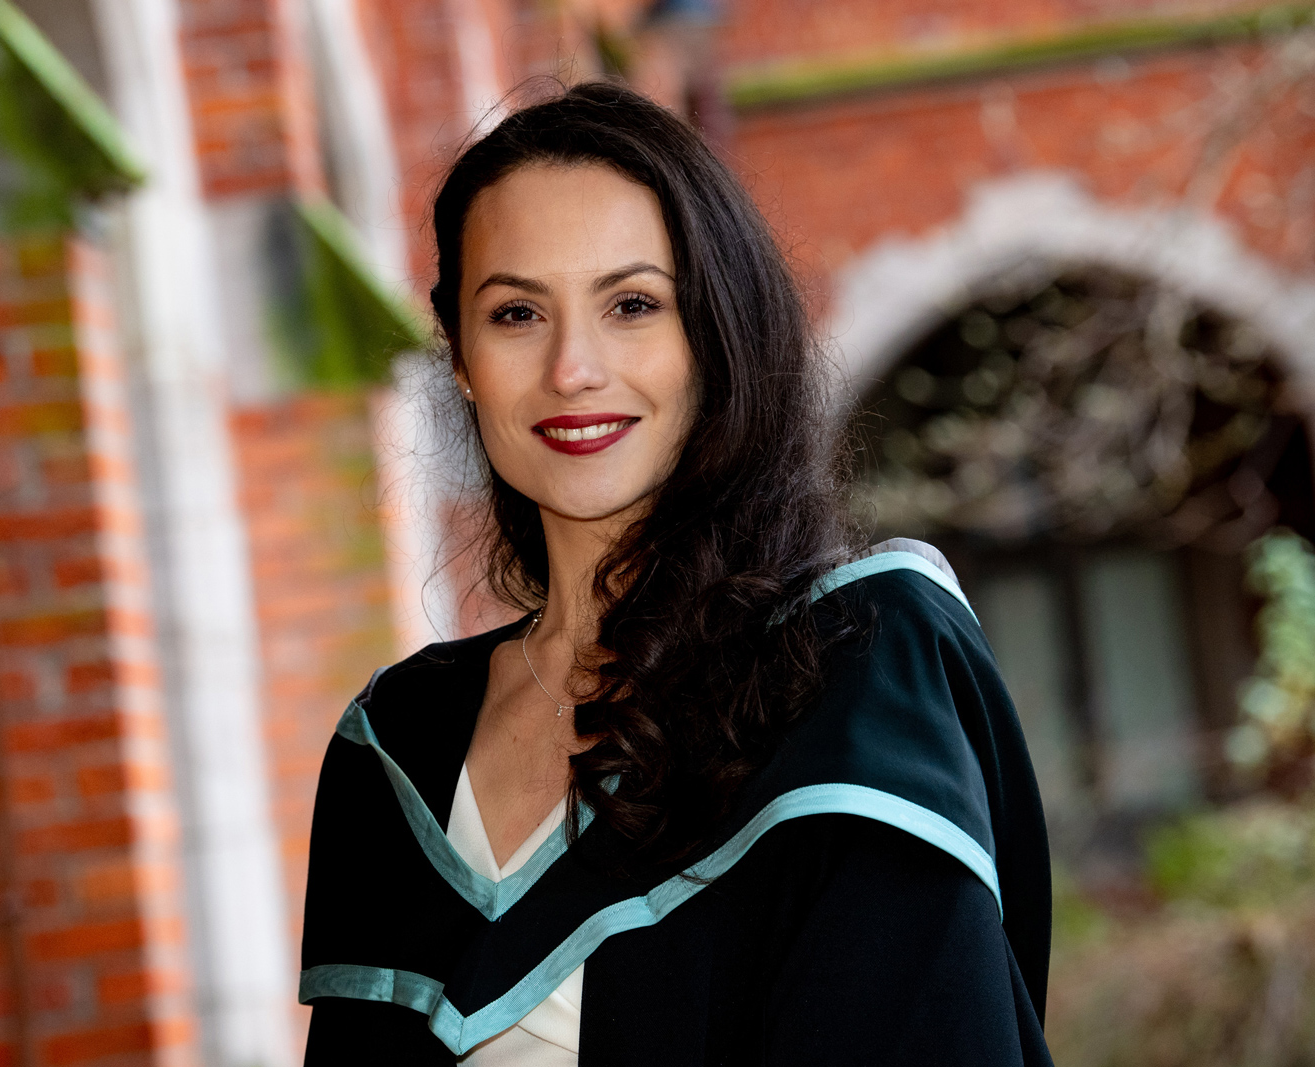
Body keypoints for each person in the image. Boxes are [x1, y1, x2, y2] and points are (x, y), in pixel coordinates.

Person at [299, 81, 1053, 1066]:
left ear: (714, 332)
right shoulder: (394, 745)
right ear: (462, 361)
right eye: (517, 312)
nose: (572, 368)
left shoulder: (856, 675)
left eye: (632, 304)